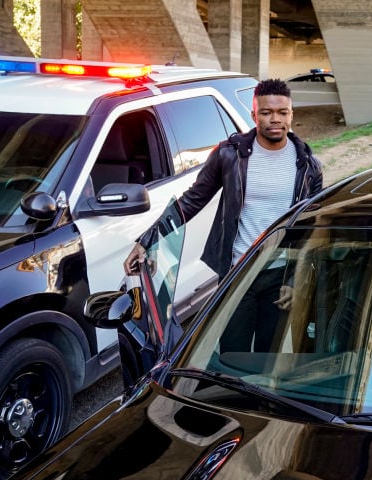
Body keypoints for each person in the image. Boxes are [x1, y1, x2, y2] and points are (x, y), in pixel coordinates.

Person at [124, 78, 324, 351]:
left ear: (291, 114)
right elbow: (191, 201)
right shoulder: (230, 154)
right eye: (266, 113)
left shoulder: (309, 166)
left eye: (282, 112)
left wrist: (295, 281)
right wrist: (148, 240)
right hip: (236, 271)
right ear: (254, 115)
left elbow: (309, 229)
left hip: (280, 275)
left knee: (268, 358)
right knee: (231, 354)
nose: (274, 119)